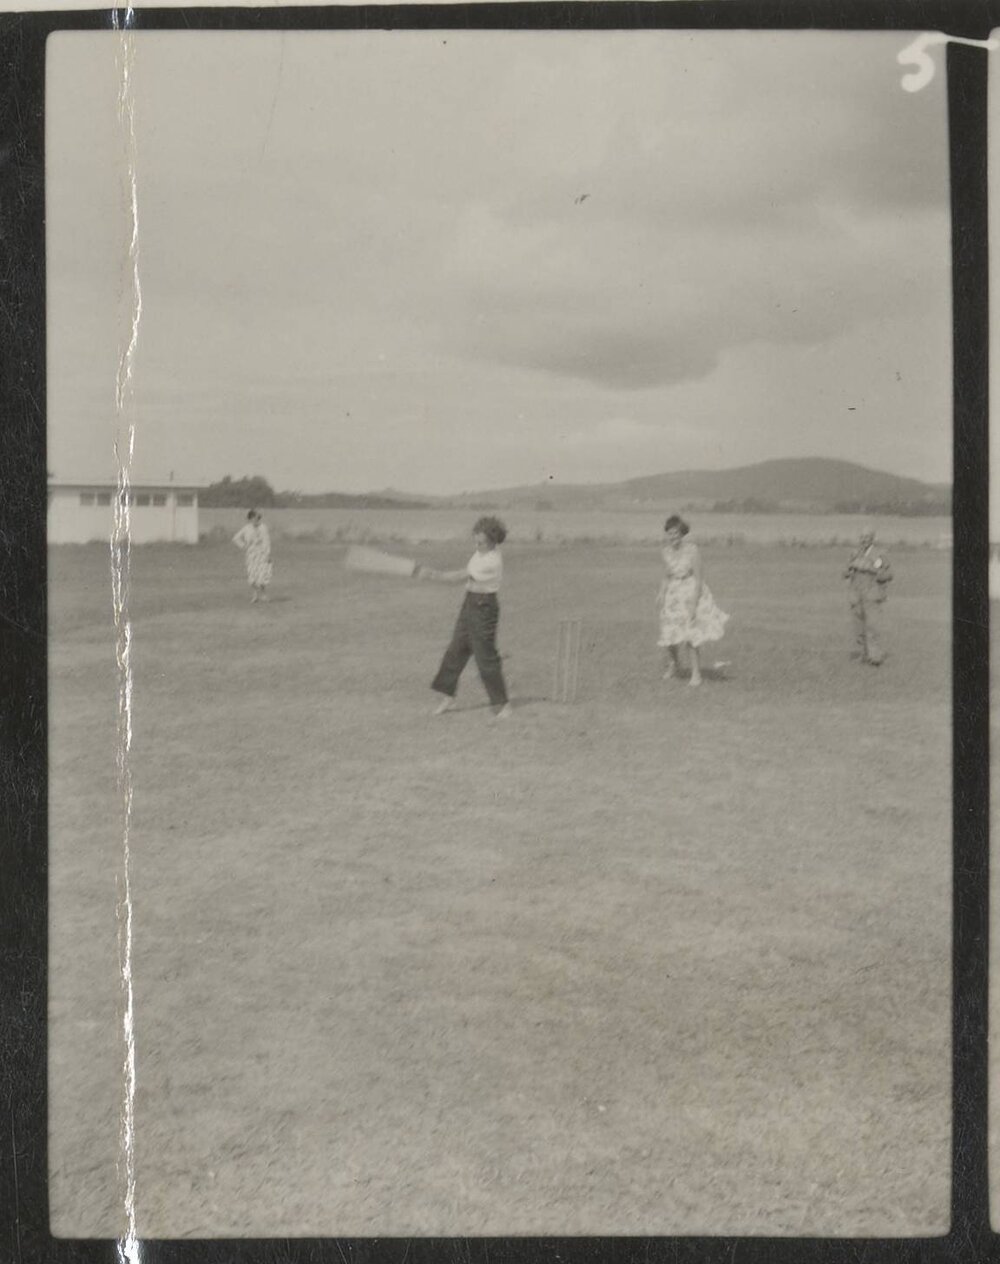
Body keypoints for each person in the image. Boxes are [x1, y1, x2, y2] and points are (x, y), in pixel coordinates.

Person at [419, 516, 511, 720]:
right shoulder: (481, 553)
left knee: (484, 657)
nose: (477, 546)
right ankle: (447, 696)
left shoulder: (491, 561)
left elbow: (457, 577)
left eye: (481, 543)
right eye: (475, 541)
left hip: (484, 608)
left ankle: (501, 704)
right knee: (455, 651)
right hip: (470, 603)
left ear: (493, 541)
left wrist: (433, 575)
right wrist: (432, 574)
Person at [656, 514, 728, 686]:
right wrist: (661, 593)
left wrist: (694, 604)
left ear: (682, 533)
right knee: (669, 633)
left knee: (690, 634)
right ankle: (675, 665)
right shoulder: (666, 552)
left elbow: (698, 579)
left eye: (676, 533)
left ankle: (696, 674)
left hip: (690, 593)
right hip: (673, 594)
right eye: (670, 533)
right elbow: (667, 575)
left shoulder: (692, 550)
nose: (672, 537)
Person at [844, 527, 893, 665]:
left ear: (872, 539)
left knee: (872, 626)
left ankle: (875, 657)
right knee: (858, 628)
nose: (864, 540)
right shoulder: (855, 553)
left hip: (872, 595)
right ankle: (862, 655)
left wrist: (873, 571)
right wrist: (849, 572)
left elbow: (889, 574)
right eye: (862, 537)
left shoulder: (880, 554)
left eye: (867, 537)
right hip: (856, 595)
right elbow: (846, 572)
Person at [232, 508, 273, 603]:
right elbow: (236, 538)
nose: (256, 520)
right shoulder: (246, 528)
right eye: (253, 518)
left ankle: (263, 595)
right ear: (250, 519)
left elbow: (267, 541)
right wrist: (243, 546)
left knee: (262, 575)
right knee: (252, 575)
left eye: (257, 518)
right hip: (251, 554)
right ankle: (255, 595)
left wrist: (267, 554)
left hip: (262, 554)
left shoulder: (263, 527)